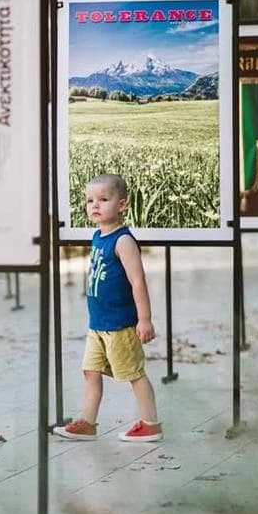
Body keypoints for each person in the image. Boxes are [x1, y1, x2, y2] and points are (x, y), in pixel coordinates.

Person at [55, 174, 163, 442]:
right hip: (98, 324)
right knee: (90, 372)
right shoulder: (97, 236)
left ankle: (151, 423)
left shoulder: (123, 241)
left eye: (104, 199)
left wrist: (145, 319)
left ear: (122, 204)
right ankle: (88, 423)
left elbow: (138, 281)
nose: (95, 205)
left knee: (134, 374)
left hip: (119, 325)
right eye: (90, 200)